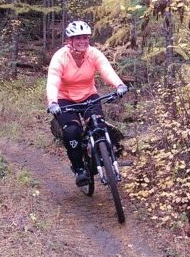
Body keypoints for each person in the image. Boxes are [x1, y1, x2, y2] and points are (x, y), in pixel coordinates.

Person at [46, 20, 128, 187]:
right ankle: (79, 170)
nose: (83, 41)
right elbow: (53, 80)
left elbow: (106, 69)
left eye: (85, 38)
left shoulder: (93, 54)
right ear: (70, 41)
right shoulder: (60, 57)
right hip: (65, 98)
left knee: (99, 125)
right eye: (78, 38)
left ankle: (102, 153)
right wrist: (53, 102)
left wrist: (119, 84)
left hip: (89, 95)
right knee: (72, 132)